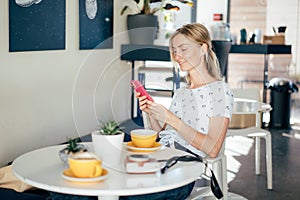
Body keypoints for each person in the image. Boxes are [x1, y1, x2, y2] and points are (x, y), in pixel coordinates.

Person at [129, 23, 234, 199]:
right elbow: (163, 134)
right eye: (174, 50)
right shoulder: (182, 92)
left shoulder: (219, 91)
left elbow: (213, 148)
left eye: (183, 49)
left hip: (185, 169)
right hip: (161, 158)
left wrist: (170, 119)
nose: (177, 55)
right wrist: (151, 112)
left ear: (203, 49)